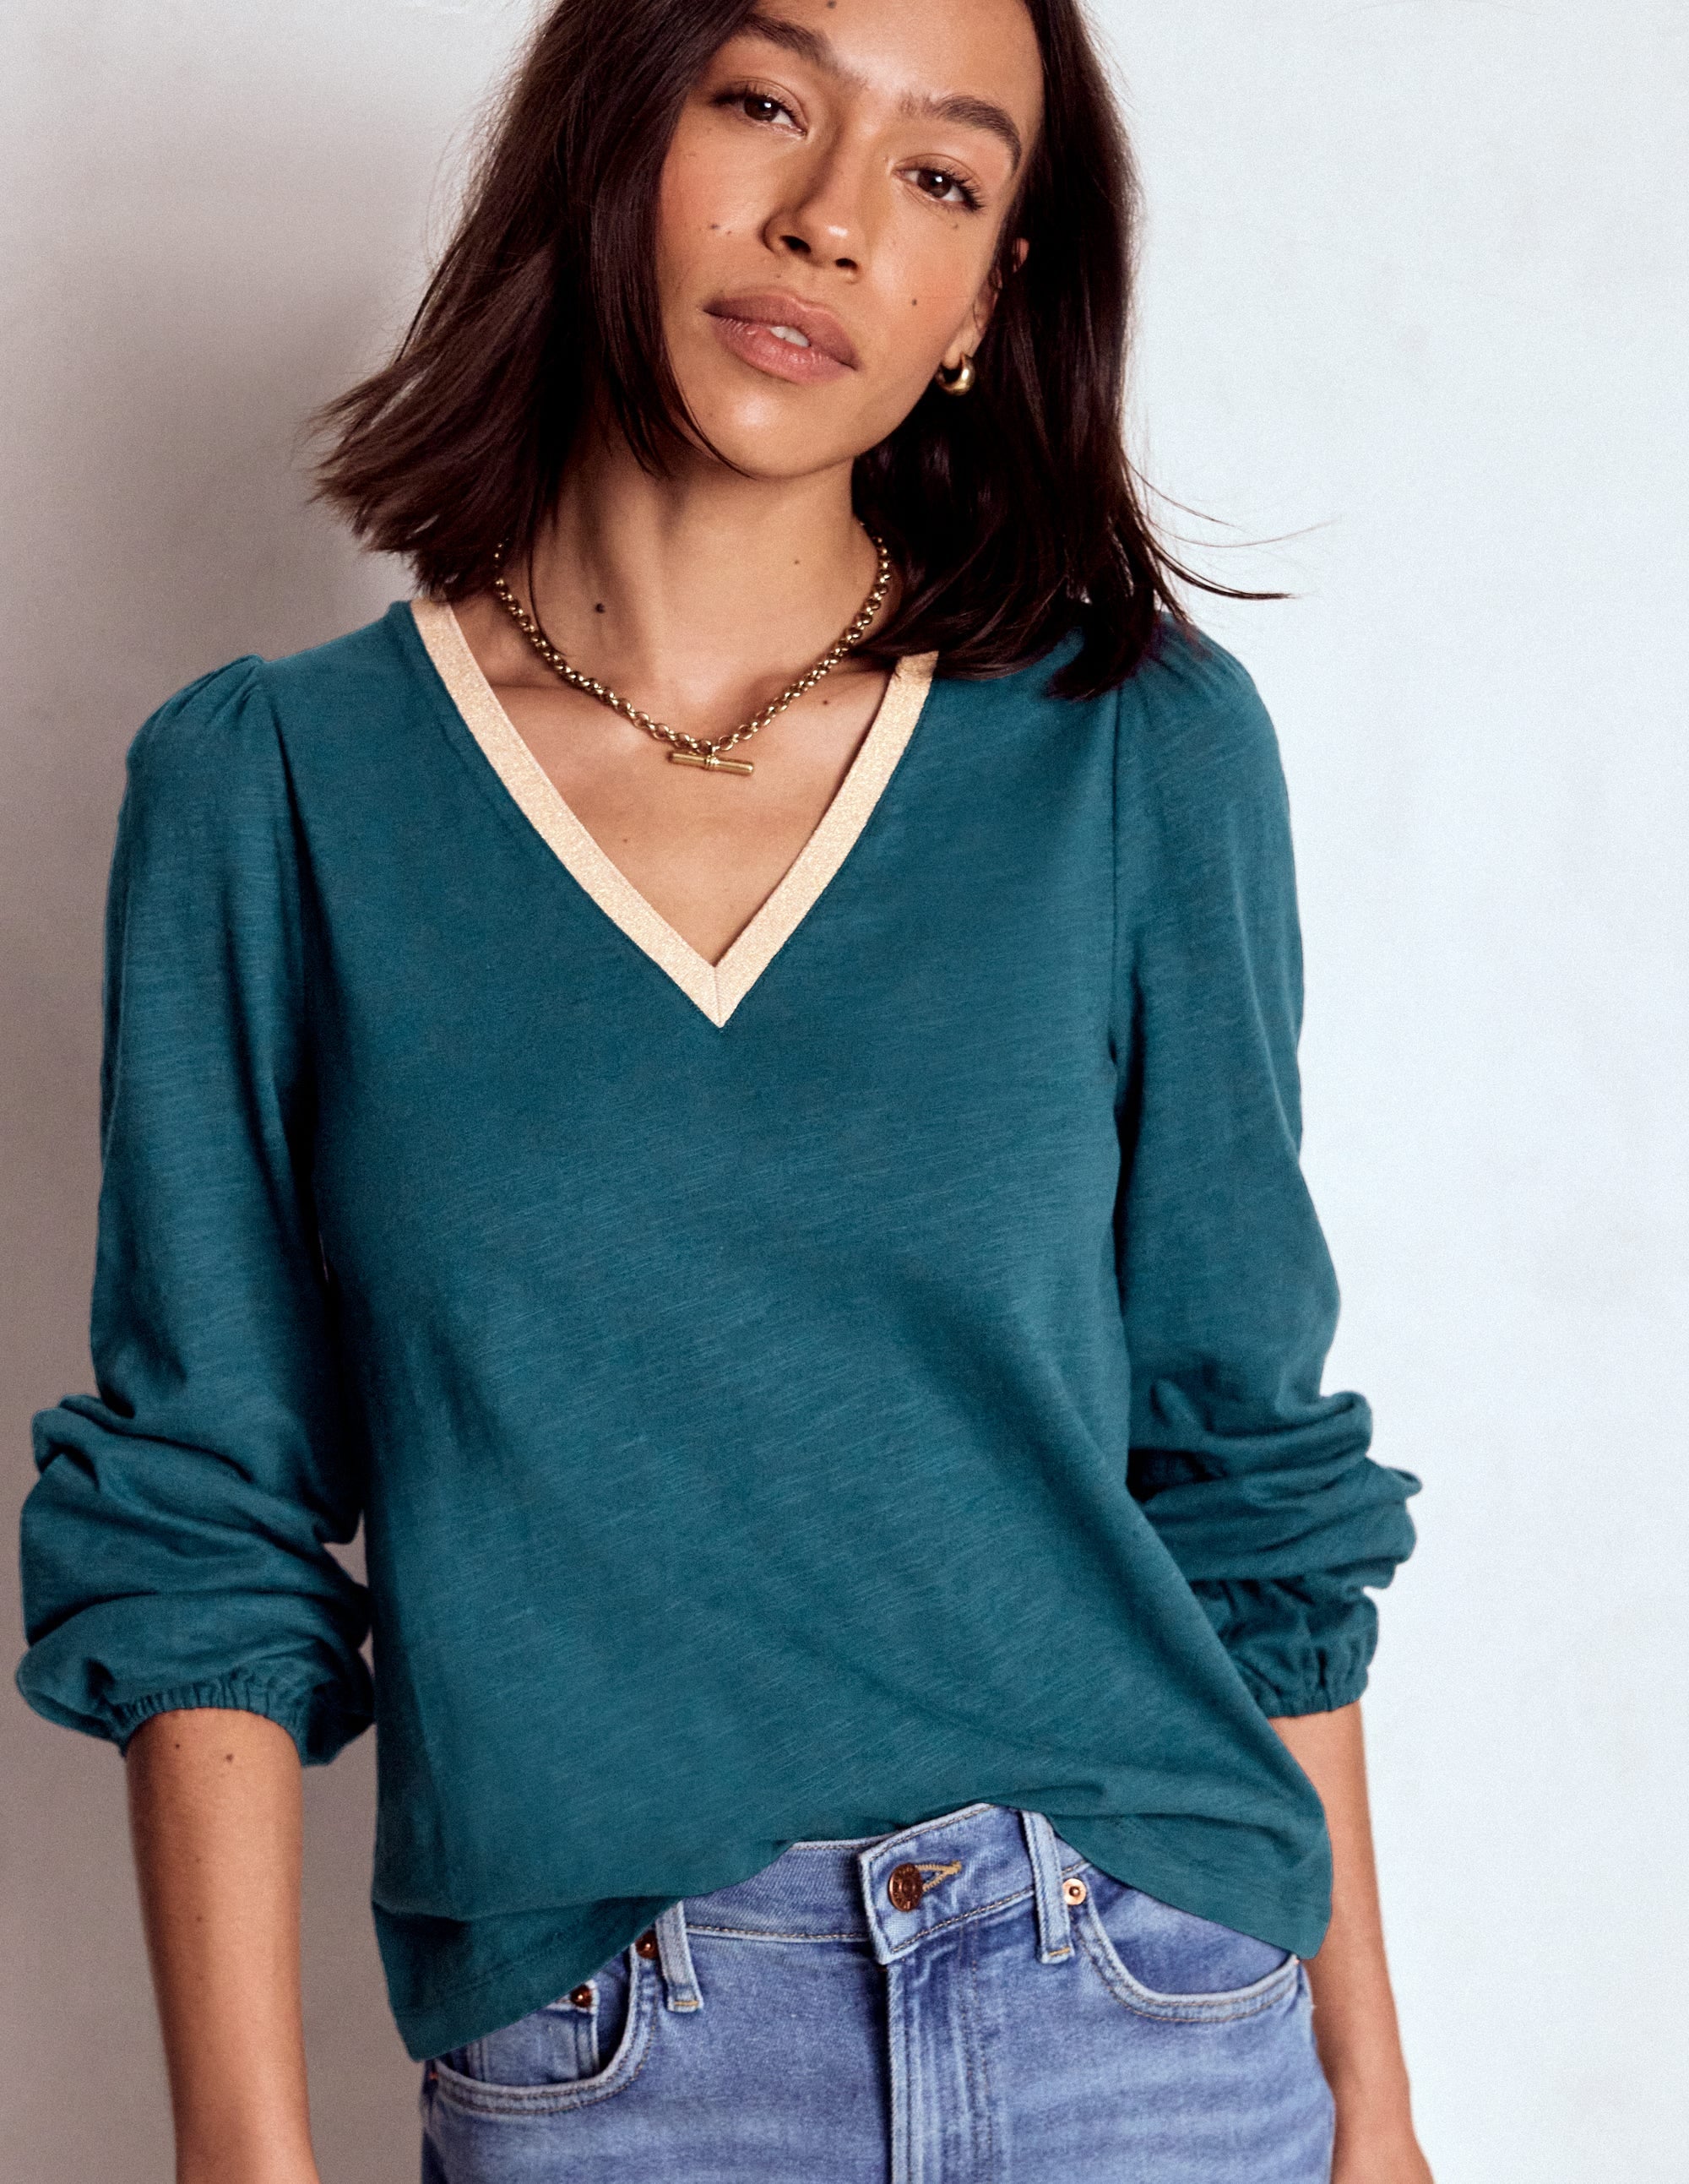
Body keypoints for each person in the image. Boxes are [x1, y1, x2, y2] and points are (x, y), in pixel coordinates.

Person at [16, 2, 1432, 2178]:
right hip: (620, 2071)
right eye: (764, 102)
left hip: (1144, 2015)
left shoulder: (1135, 748)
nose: (832, 221)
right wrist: (244, 2152)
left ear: (984, 306)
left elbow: (1241, 1467)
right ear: (610, 142)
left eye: (940, 176)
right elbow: (204, 1516)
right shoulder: (275, 787)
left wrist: (1377, 2114)